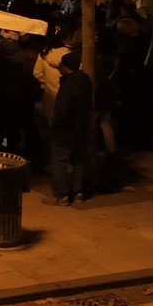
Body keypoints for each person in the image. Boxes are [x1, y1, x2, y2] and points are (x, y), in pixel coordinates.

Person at [48, 51, 93, 205]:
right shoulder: (85, 81)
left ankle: (60, 195)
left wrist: (54, 125)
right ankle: (78, 192)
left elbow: (62, 111)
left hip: (65, 130)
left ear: (66, 67)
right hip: (80, 128)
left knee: (59, 161)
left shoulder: (67, 85)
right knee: (78, 160)